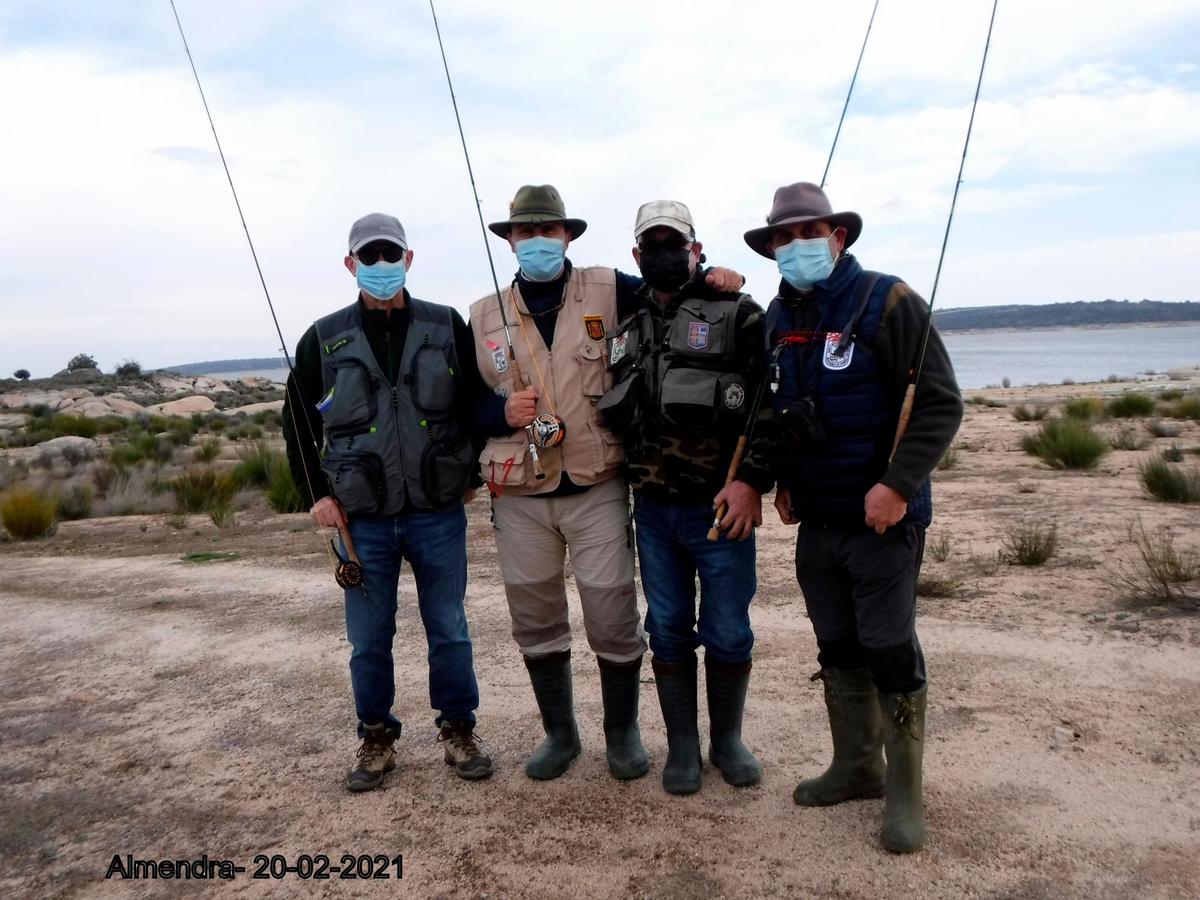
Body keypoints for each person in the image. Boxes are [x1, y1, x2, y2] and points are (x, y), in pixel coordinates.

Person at [469, 185, 745, 782]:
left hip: (596, 483)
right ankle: (560, 736)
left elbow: (671, 290)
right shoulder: (481, 314)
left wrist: (715, 275)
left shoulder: (609, 287)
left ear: (569, 235)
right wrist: (498, 415)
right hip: (520, 493)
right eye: (525, 232)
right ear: (509, 240)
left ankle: (622, 734)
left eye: (549, 230)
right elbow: (461, 403)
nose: (537, 241)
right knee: (535, 617)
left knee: (614, 614)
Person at [745, 183, 962, 852]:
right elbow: (776, 409)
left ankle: (904, 789)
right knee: (837, 648)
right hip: (818, 522)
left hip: (881, 522)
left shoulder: (887, 300)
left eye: (807, 232)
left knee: (889, 649)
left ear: (838, 236)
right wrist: (772, 478)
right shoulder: (779, 318)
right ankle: (857, 764)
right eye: (782, 236)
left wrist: (898, 486)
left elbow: (940, 404)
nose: (794, 245)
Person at [283, 212, 492, 791]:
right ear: (351, 265)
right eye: (369, 257)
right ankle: (375, 737)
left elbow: (474, 400)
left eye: (390, 255)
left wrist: (472, 470)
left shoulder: (446, 324)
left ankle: (458, 729)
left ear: (409, 259)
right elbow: (297, 421)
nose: (381, 266)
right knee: (369, 639)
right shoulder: (322, 337)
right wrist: (317, 494)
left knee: (449, 626)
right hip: (362, 519)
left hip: (436, 510)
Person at [597, 200, 775, 796]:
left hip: (720, 508)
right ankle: (682, 748)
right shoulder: (626, 325)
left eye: (675, 243)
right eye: (653, 244)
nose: (664, 253)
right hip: (651, 508)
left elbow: (767, 402)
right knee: (668, 627)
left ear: (697, 249)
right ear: (637, 255)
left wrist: (752, 479)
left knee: (727, 630)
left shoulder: (737, 312)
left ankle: (727, 741)